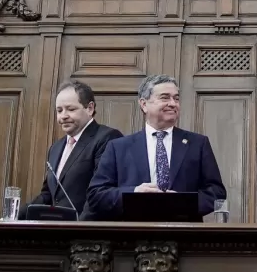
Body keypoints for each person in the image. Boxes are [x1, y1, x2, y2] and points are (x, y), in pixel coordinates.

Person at [85, 75, 225, 219]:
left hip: (184, 234)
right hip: (133, 236)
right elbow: (96, 195)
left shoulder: (198, 144)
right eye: (165, 97)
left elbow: (216, 192)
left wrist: (182, 203)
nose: (173, 103)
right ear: (144, 104)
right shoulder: (118, 147)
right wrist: (134, 193)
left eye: (176, 98)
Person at [30, 80, 123, 217]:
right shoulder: (56, 148)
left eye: (71, 109)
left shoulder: (108, 138)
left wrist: (79, 229)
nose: (63, 116)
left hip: (87, 233)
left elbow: (100, 192)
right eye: (59, 110)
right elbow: (48, 194)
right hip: (57, 232)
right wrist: (17, 216)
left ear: (90, 108)